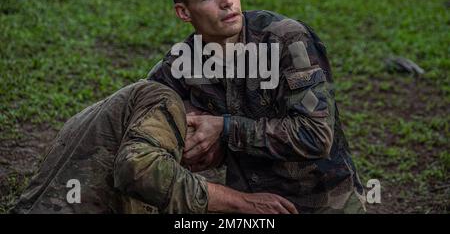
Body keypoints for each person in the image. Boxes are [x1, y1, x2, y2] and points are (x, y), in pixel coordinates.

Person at [148, 0, 367, 213]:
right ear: (184, 12)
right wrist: (187, 130)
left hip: (324, 203)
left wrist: (224, 128)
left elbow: (316, 135)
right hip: (250, 206)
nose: (227, 2)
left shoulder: (286, 41)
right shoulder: (180, 64)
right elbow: (140, 117)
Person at [13, 80, 298, 214]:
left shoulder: (117, 116)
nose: (204, 165)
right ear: (201, 123)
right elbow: (138, 169)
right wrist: (242, 203)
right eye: (216, 155)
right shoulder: (165, 100)